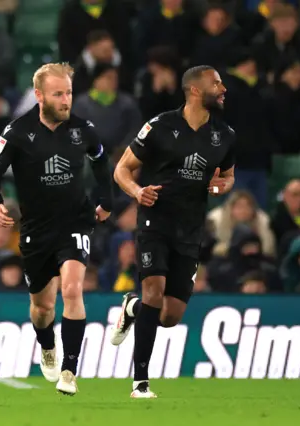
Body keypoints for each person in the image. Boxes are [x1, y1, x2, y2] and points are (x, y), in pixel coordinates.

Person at [0, 63, 114, 395]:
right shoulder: (17, 131)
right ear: (39, 95)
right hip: (35, 228)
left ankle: (69, 371)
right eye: (58, 94)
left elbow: (101, 162)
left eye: (68, 92)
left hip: (75, 220)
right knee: (42, 308)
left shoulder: (82, 129)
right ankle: (47, 345)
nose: (66, 100)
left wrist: (106, 200)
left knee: (71, 290)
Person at [111, 65, 235, 398]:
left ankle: (132, 308)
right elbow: (122, 169)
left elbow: (229, 175)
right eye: (216, 83)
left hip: (191, 227)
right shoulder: (160, 126)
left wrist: (222, 185)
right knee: (154, 289)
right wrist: (137, 192)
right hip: (156, 219)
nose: (223, 88)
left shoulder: (224, 135)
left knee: (169, 316)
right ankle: (141, 382)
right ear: (195, 90)